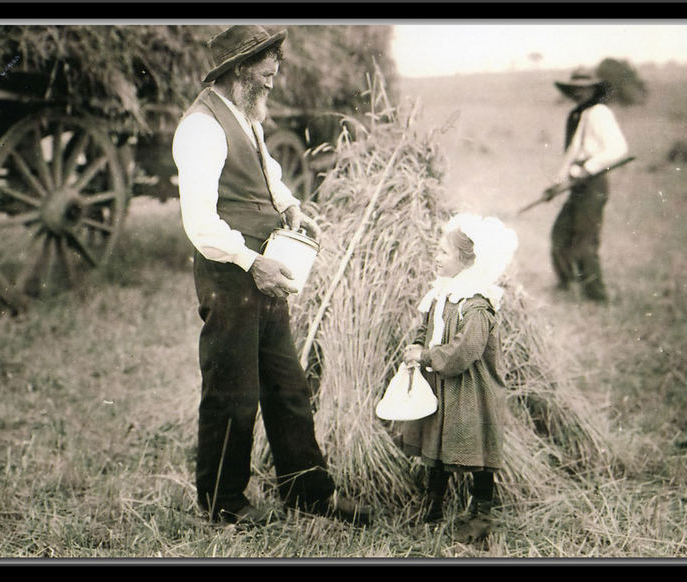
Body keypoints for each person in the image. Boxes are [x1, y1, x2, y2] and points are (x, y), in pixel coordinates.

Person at [172, 25, 370, 526]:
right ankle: (222, 504)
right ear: (239, 68)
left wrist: (289, 205)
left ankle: (308, 492)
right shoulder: (201, 127)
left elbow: (268, 172)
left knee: (287, 385)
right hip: (232, 273)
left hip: (265, 271)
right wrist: (250, 262)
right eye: (266, 72)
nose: (272, 82)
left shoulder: (245, 117)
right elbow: (199, 223)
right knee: (232, 391)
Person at [400, 214, 518, 541]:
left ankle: (482, 514)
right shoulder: (442, 295)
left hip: (470, 390)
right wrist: (416, 343)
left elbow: (464, 352)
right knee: (437, 443)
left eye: (443, 253)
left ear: (467, 261)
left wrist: (426, 357)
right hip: (442, 385)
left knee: (475, 450)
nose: (436, 257)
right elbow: (428, 327)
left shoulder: (477, 305)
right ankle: (433, 506)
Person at [548, 67, 629, 303]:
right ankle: (566, 287)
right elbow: (573, 152)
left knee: (585, 241)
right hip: (578, 183)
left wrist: (588, 168)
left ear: (593, 89)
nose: (578, 93)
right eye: (574, 89)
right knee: (560, 235)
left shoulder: (599, 113)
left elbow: (618, 149)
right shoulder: (579, 114)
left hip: (593, 183)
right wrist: (558, 181)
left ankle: (597, 297)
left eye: (584, 88)